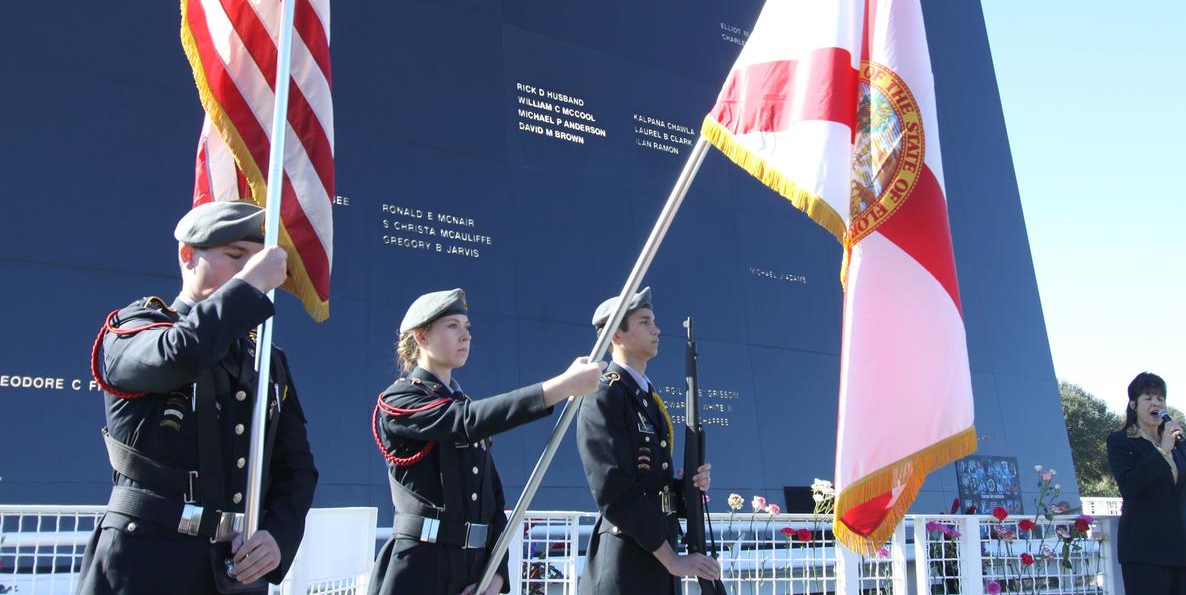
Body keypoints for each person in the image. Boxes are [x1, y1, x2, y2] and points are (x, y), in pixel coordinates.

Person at [78, 201, 318, 594]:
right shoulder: (136, 328)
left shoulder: (266, 359)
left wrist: (276, 535)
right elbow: (182, 354)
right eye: (236, 256)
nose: (248, 270)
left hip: (232, 570)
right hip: (146, 565)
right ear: (187, 255)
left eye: (258, 261)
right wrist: (250, 287)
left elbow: (297, 468)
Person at [368, 289, 604, 595]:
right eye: (453, 326)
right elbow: (464, 421)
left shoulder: (462, 405)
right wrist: (559, 388)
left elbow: (492, 504)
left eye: (467, 328)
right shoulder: (400, 399)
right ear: (422, 338)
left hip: (474, 571)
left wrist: (497, 576)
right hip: (419, 570)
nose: (465, 336)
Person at [575, 287, 720, 594]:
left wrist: (688, 489)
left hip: (656, 563)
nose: (656, 329)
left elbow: (652, 486)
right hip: (625, 567)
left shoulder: (645, 398)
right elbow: (614, 490)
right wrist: (672, 560)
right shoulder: (605, 394)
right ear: (616, 335)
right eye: (644, 321)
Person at [1106, 371, 1186, 593]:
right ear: (1134, 404)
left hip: (1182, 553)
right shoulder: (1120, 441)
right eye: (1148, 398)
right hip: (1144, 551)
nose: (1156, 403)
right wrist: (1162, 451)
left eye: (1160, 398)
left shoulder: (1179, 444)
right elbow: (1129, 486)